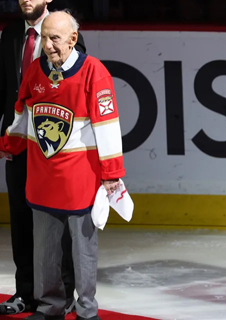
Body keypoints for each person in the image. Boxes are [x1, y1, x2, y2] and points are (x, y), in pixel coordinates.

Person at [0, 10, 125, 320]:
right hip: (42, 179)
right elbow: (22, 114)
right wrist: (9, 144)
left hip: (79, 181)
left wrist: (111, 175)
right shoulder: (34, 71)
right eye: (45, 38)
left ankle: (86, 310)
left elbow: (107, 125)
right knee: (45, 251)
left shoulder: (94, 72)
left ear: (73, 39)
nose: (48, 45)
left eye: (55, 38)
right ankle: (49, 307)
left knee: (83, 251)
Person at [0, 0, 85, 315]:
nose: (26, 0)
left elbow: (77, 91)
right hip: (20, 144)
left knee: (57, 225)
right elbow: (5, 89)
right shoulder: (10, 35)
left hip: (54, 147)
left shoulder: (66, 31)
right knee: (21, 219)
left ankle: (62, 295)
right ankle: (25, 293)